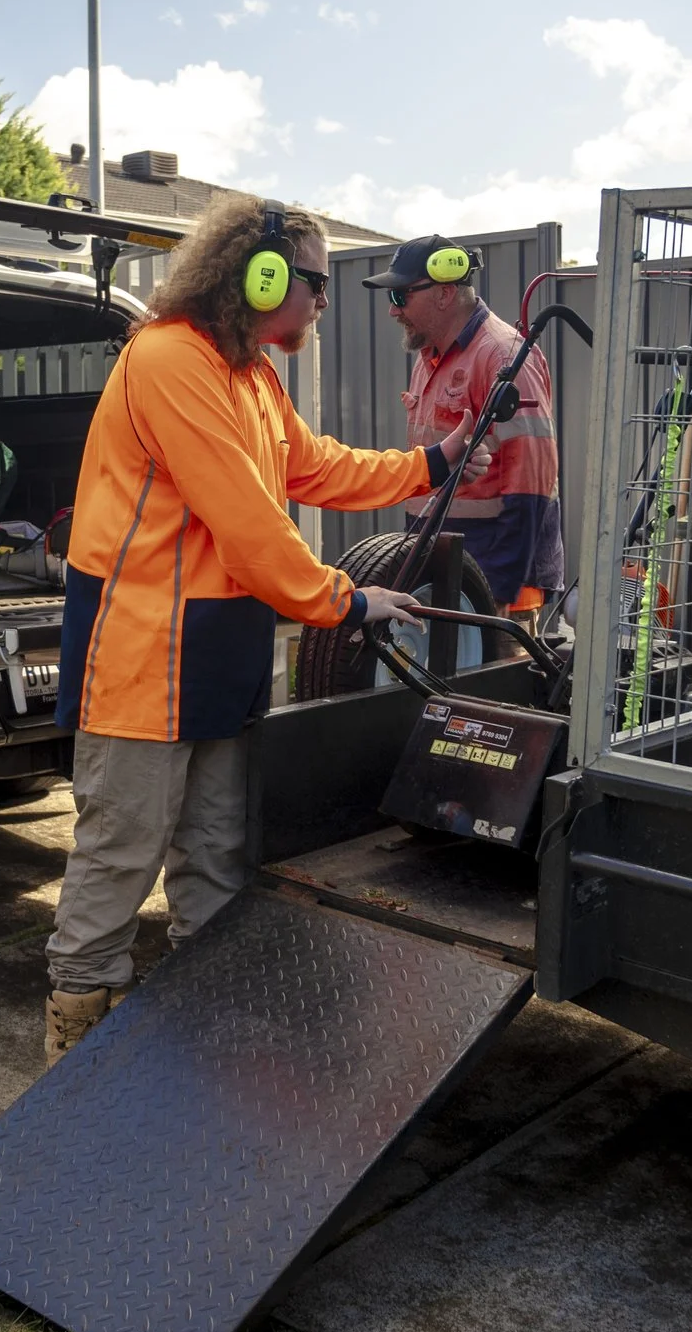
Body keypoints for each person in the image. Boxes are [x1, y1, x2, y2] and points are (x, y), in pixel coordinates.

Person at [44, 196, 490, 1062]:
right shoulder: (170, 361)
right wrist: (345, 600)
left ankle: (196, 1040)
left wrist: (429, 463)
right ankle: (72, 1051)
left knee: (215, 854)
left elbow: (311, 466)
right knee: (118, 857)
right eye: (315, 283)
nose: (323, 302)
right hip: (145, 654)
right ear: (262, 275)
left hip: (219, 653)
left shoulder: (249, 374)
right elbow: (249, 524)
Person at [367, 235, 565, 623]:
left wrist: (501, 590)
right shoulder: (429, 356)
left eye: (400, 297)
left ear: (444, 293)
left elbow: (532, 480)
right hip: (447, 572)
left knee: (498, 681)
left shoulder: (505, 357)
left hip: (495, 582)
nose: (393, 311)